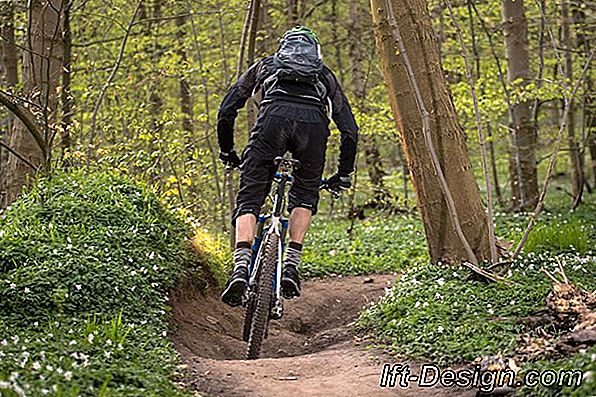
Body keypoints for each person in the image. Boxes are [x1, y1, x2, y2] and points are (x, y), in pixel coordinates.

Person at [217, 26, 358, 307]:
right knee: (304, 195)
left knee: (249, 199)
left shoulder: (265, 66)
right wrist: (343, 173)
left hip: (272, 123)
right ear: (315, 52)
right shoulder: (324, 75)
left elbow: (227, 110)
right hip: (313, 130)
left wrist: (227, 150)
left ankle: (241, 267)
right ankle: (291, 264)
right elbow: (349, 130)